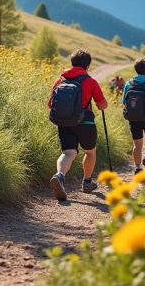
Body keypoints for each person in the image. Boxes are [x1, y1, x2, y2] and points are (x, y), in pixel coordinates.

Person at [48, 49, 108, 201]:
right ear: (87, 65)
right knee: (90, 152)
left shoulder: (60, 80)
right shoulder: (90, 81)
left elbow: (50, 104)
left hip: (64, 123)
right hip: (85, 123)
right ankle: (87, 182)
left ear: (72, 63)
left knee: (69, 153)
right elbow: (102, 105)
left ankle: (59, 176)